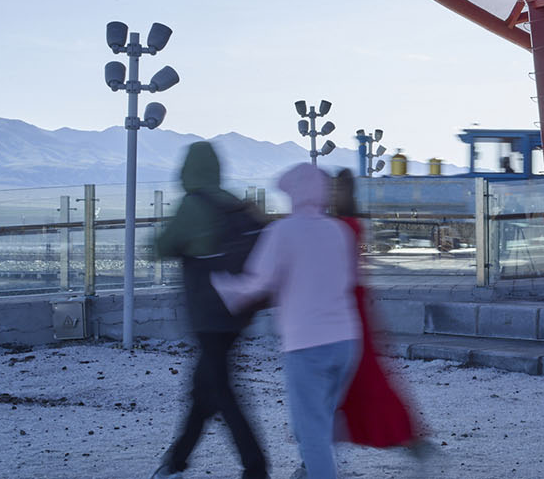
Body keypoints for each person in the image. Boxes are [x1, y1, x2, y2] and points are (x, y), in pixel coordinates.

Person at [214, 163, 360, 479]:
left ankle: (319, 470)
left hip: (307, 344)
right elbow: (347, 280)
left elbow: (258, 282)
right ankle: (313, 467)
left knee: (311, 431)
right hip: (346, 341)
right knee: (318, 418)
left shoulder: (282, 232)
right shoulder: (338, 231)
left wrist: (223, 286)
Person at [149, 141, 270, 479]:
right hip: (238, 312)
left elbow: (161, 246)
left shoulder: (194, 204)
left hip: (208, 314)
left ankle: (256, 468)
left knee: (221, 391)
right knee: (204, 388)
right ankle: (175, 462)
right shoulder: (233, 203)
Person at [329, 169, 435, 464]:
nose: (333, 194)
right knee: (354, 384)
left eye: (338, 189)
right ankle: (409, 440)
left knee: (361, 383)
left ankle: (407, 438)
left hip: (347, 309)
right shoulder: (344, 225)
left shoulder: (344, 226)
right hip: (348, 307)